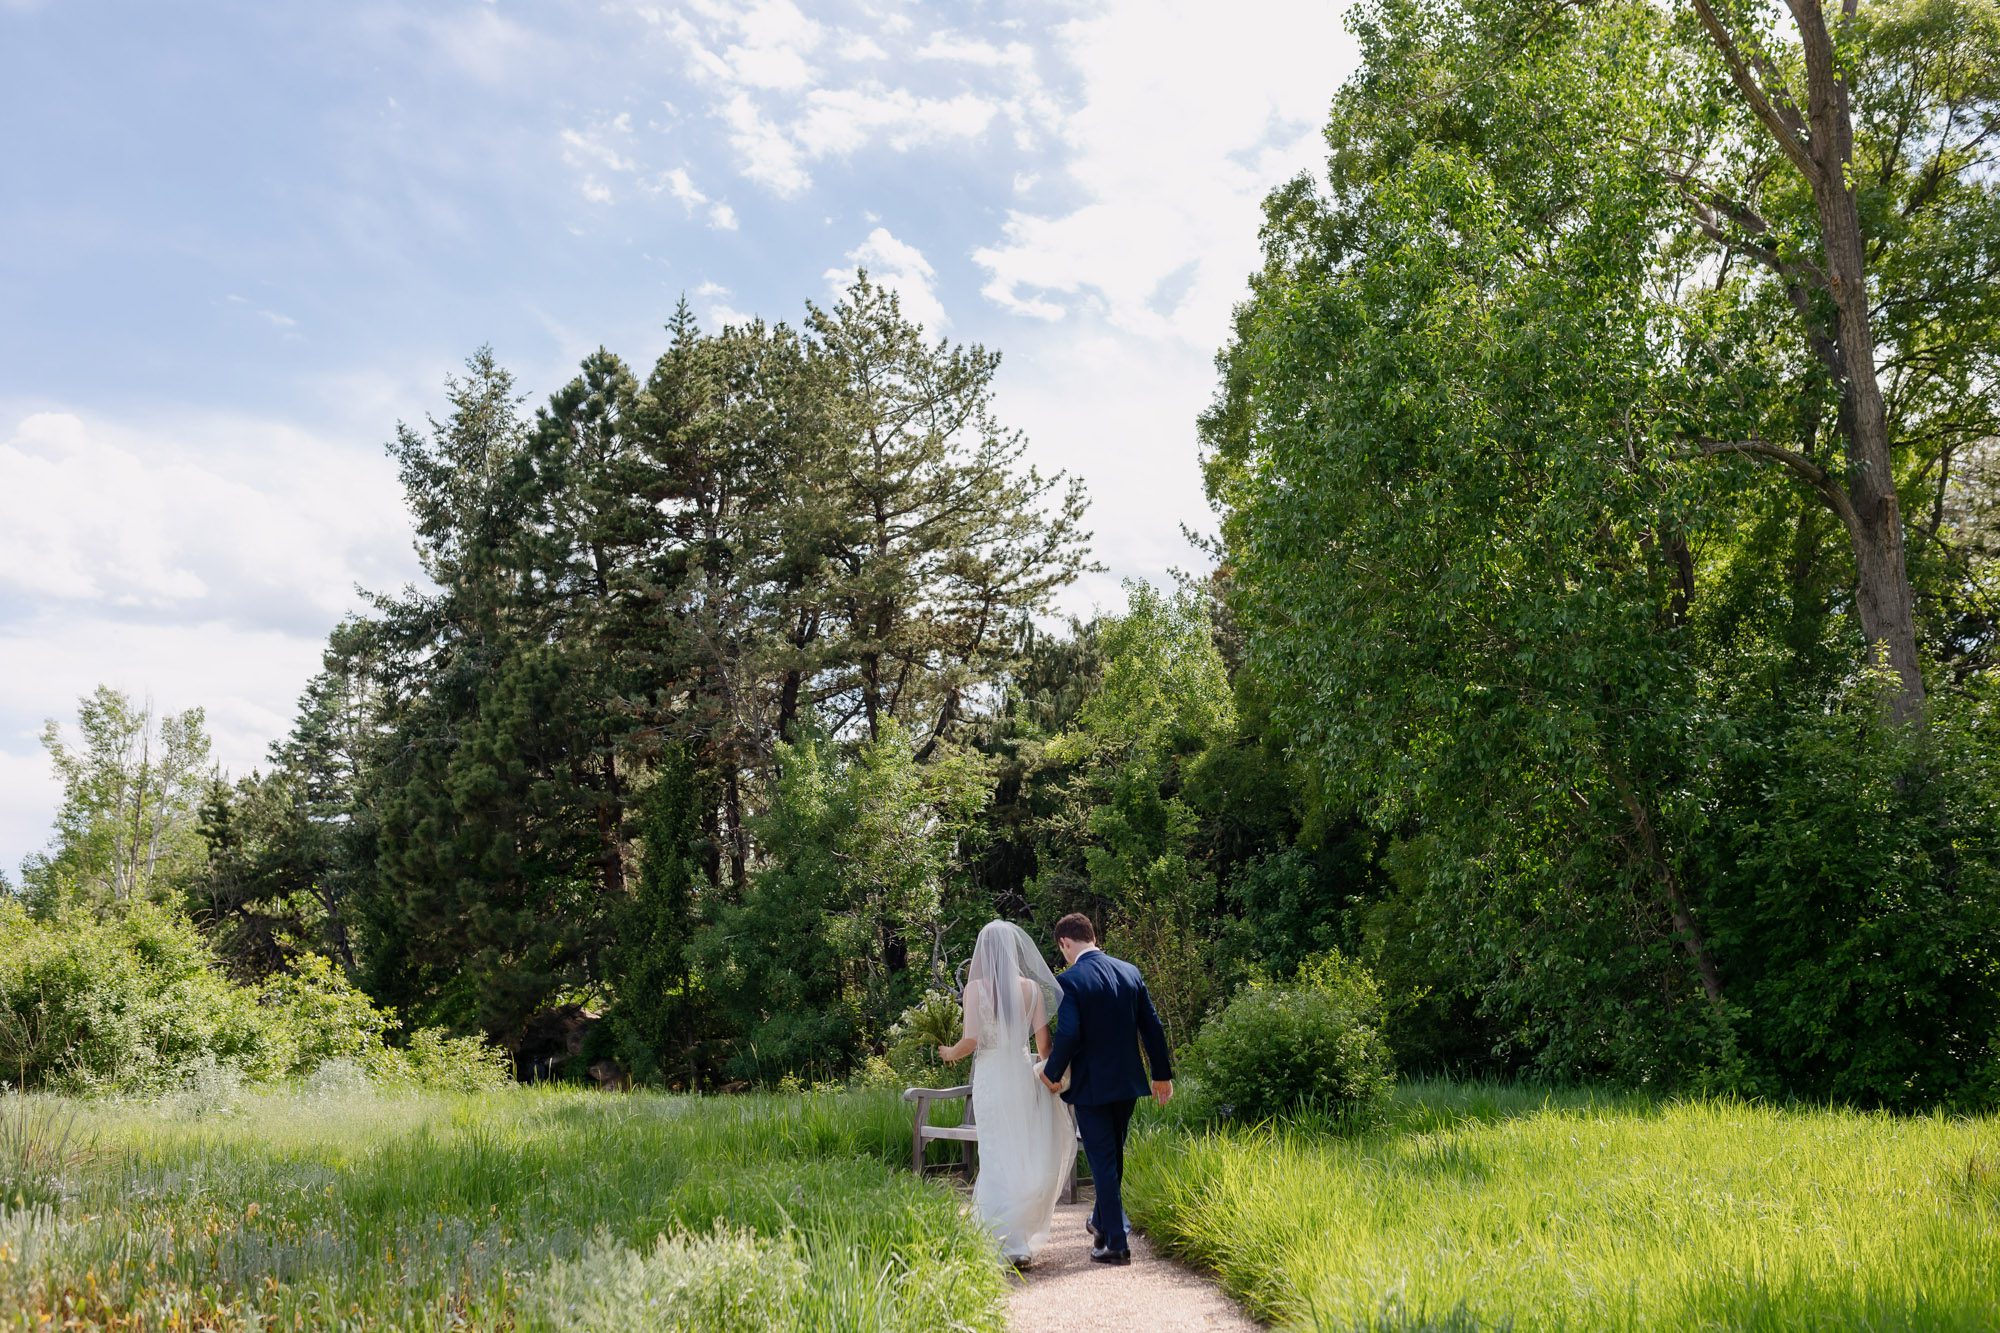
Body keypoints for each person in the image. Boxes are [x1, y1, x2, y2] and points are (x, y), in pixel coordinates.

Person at [936, 920, 1077, 1264]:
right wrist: (1054, 1075)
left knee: (995, 1150)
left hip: (991, 1077)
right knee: (1019, 1149)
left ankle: (1000, 1239)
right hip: (1018, 1075)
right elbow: (1044, 1046)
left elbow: (970, 1041)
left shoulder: (974, 990)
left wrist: (948, 1052)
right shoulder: (1031, 989)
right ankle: (1018, 1241)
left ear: (984, 952)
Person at [1038, 912, 1173, 1266]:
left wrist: (1052, 1072)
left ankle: (1115, 1244)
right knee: (1113, 1156)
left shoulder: (1070, 980)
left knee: (1102, 1162)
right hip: (1128, 1082)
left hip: (1092, 1086)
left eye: (1061, 950)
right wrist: (1162, 1074)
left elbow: (1069, 1034)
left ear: (1065, 943)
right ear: (1092, 936)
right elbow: (1153, 1027)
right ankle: (1101, 1221)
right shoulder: (1130, 971)